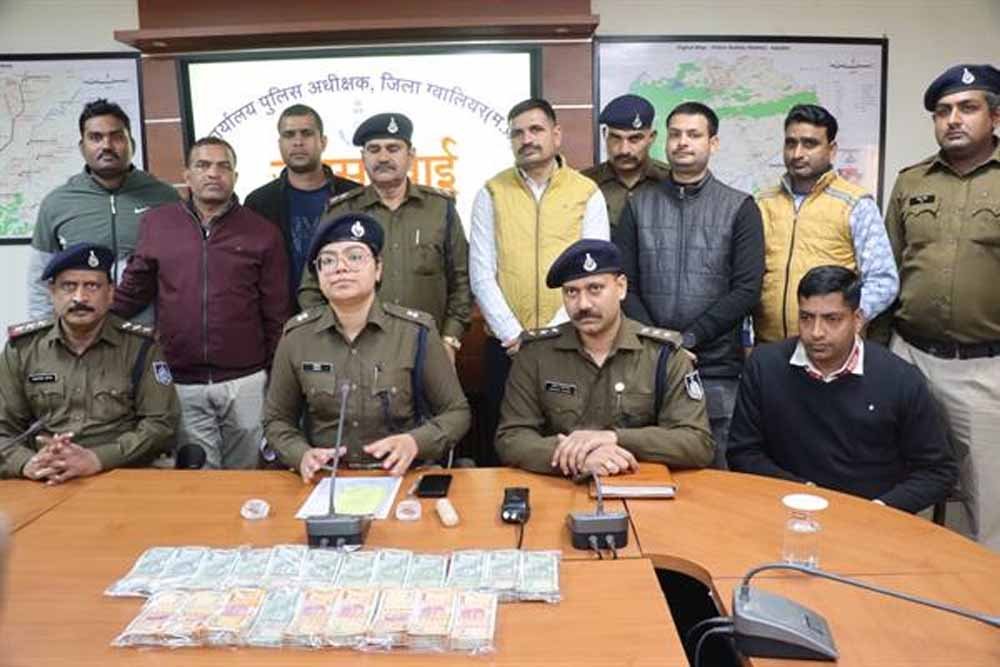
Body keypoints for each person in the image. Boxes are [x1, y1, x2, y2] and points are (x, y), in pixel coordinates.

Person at [873, 64, 1000, 547]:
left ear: (995, 116)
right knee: (901, 489)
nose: (953, 119)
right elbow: (887, 273)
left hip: (984, 369)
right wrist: (878, 358)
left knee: (987, 504)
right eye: (943, 111)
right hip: (909, 359)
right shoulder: (911, 182)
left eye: (967, 108)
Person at [113, 137, 291, 470]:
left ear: (235, 176)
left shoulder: (262, 232)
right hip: (181, 378)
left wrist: (275, 378)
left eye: (223, 166)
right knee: (198, 478)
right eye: (203, 165)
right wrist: (90, 320)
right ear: (187, 176)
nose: (213, 173)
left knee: (246, 475)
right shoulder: (158, 224)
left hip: (246, 379)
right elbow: (133, 291)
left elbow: (276, 313)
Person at [728, 266, 957, 513]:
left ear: (857, 320)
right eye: (806, 318)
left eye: (832, 319)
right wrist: (800, 491)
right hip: (786, 507)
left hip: (872, 517)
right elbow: (743, 452)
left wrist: (880, 509)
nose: (816, 332)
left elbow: (937, 472)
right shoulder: (765, 366)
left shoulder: (900, 379)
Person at [263, 213, 470, 482]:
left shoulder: (416, 332)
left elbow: (456, 413)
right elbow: (276, 420)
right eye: (328, 260)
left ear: (378, 268)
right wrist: (300, 454)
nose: (341, 268)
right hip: (326, 480)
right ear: (318, 275)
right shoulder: (297, 337)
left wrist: (415, 442)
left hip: (401, 475)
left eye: (355, 256)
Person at [613, 101, 764, 465]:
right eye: (675, 134)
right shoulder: (638, 205)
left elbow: (746, 290)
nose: (682, 142)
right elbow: (624, 285)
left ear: (713, 143)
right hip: (646, 365)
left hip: (714, 369)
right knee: (645, 471)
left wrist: (688, 340)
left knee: (714, 475)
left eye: (694, 135)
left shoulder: (740, 207)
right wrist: (660, 342)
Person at [497, 239, 714, 476]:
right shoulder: (536, 354)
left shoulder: (664, 355)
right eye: (571, 292)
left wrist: (613, 438)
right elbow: (512, 438)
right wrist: (577, 458)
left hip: (641, 485)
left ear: (621, 287)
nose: (583, 304)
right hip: (559, 486)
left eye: (595, 288)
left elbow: (697, 443)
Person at [469, 98, 610, 462]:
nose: (527, 139)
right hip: (506, 347)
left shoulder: (586, 192)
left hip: (571, 343)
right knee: (508, 448)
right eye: (517, 133)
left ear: (556, 134)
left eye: (536, 130)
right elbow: (481, 273)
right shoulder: (491, 192)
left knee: (571, 447)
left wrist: (549, 334)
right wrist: (514, 336)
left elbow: (593, 273)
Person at [297, 112, 471, 363]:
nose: (383, 158)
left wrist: (450, 339)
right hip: (357, 354)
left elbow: (462, 282)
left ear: (411, 155)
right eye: (374, 149)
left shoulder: (440, 209)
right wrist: (335, 338)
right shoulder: (341, 212)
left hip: (428, 350)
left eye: (393, 148)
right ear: (363, 157)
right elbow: (310, 288)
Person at [0, 243, 178, 482]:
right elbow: (3, 429)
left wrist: (97, 459)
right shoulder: (22, 349)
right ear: (52, 293)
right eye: (68, 286)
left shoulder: (141, 347)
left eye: (92, 286)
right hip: (46, 475)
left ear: (110, 293)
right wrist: (26, 463)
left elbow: (161, 425)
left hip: (121, 473)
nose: (80, 297)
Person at [754, 104, 898, 343]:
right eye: (791, 143)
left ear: (831, 150)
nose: (797, 153)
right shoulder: (762, 202)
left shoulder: (855, 204)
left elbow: (883, 281)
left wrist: (842, 321)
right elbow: (747, 279)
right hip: (768, 346)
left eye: (809, 144)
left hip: (831, 349)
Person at [27, 99, 179, 323]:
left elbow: (181, 273)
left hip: (147, 335)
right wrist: (42, 333)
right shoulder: (57, 203)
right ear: (82, 147)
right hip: (81, 334)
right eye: (96, 137)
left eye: (116, 136)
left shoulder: (166, 198)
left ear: (131, 144)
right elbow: (39, 281)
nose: (106, 145)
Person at [244, 104, 361, 305]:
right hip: (282, 315)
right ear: (280, 144)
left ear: (323, 142)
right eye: (289, 135)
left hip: (347, 310)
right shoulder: (259, 202)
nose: (298, 142)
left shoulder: (354, 195)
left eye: (306, 133)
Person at [581, 94, 671, 228]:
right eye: (616, 138)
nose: (624, 150)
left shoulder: (670, 181)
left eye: (634, 139)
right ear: (604, 134)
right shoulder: (585, 185)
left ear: (651, 138)